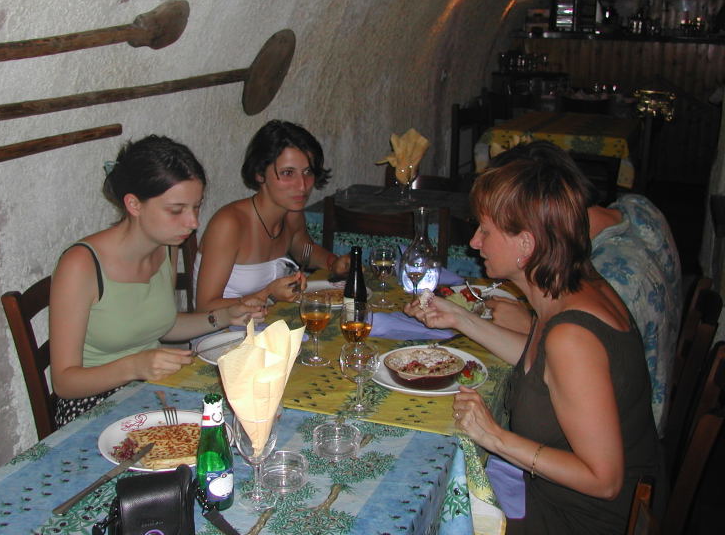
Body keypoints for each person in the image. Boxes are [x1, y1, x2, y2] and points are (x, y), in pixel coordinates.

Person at [405, 158, 662, 534]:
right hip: (562, 500)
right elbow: (544, 368)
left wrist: (494, 436)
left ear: (526, 243)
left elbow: (604, 480)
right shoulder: (572, 286)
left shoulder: (572, 337)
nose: (474, 242)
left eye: (485, 230)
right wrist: (460, 319)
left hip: (580, 521)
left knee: (423, 504)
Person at [49, 135, 265, 426]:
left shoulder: (166, 247)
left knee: (248, 412)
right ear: (134, 204)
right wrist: (135, 366)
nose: (193, 222)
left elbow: (162, 324)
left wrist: (225, 316)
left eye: (196, 207)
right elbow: (64, 382)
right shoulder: (81, 265)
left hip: (148, 391)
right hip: (92, 407)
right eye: (176, 210)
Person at [484, 141, 682, 433]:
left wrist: (531, 325)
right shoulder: (636, 207)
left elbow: (593, 356)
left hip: (628, 422)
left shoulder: (611, 273)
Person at [195, 120, 350, 311]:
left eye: (307, 172)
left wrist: (333, 262)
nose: (302, 186)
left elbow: (304, 250)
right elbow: (205, 307)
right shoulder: (229, 224)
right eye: (288, 173)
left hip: (268, 321)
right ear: (260, 174)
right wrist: (267, 294)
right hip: (225, 327)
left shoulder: (291, 213)